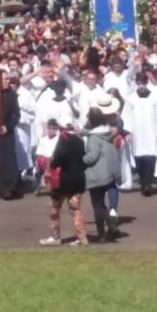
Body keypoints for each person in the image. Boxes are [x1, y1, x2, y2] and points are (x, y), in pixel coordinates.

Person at [42, 121, 88, 247]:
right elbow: (84, 159)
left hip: (64, 180)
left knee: (55, 208)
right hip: (78, 178)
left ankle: (55, 237)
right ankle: (82, 237)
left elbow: (59, 158)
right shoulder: (80, 140)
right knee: (75, 209)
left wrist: (52, 164)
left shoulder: (64, 139)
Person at [82, 96, 122, 243]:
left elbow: (92, 157)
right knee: (102, 204)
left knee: (97, 206)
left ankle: (103, 232)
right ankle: (109, 225)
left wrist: (80, 160)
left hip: (97, 175)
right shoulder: (108, 134)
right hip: (110, 174)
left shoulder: (94, 138)